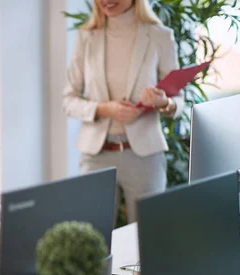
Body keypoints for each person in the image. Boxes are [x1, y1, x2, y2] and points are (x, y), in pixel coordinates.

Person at [63, 0, 184, 223]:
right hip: (96, 157)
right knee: (93, 241)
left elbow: (179, 100)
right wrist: (103, 109)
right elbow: (68, 100)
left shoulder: (160, 36)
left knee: (147, 241)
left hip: (145, 156)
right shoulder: (86, 37)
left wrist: (162, 101)